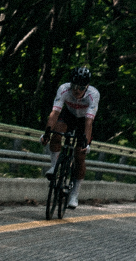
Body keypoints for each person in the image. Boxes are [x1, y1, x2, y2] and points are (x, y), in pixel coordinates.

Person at [40, 66, 100, 209]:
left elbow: (89, 122)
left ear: (87, 86)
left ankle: (74, 194)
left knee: (80, 155)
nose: (76, 90)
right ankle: (54, 167)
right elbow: (55, 113)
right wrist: (47, 133)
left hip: (84, 121)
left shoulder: (93, 94)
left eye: (81, 87)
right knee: (56, 133)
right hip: (69, 115)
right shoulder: (63, 89)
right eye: (74, 86)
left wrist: (85, 142)